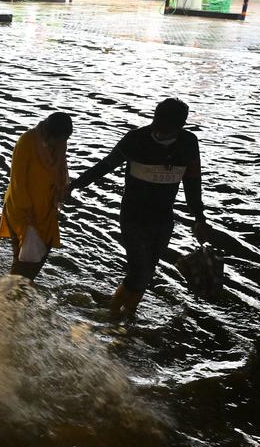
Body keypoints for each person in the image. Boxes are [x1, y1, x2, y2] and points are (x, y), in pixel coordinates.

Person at [66, 98, 209, 318]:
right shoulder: (135, 140)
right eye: (157, 126)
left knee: (148, 271)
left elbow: (193, 182)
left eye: (167, 131)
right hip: (133, 217)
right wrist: (75, 185)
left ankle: (129, 312)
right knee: (139, 271)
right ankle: (113, 313)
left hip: (163, 219)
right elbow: (105, 165)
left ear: (180, 128)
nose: (160, 133)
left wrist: (199, 218)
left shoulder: (188, 144)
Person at [0, 112, 73, 281]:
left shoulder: (59, 145)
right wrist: (28, 215)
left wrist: (63, 192)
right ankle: (12, 296)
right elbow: (18, 182)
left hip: (47, 211)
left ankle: (16, 293)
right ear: (48, 133)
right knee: (25, 261)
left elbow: (59, 174)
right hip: (23, 213)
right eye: (60, 139)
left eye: (65, 139)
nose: (63, 144)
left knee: (35, 259)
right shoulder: (26, 142)